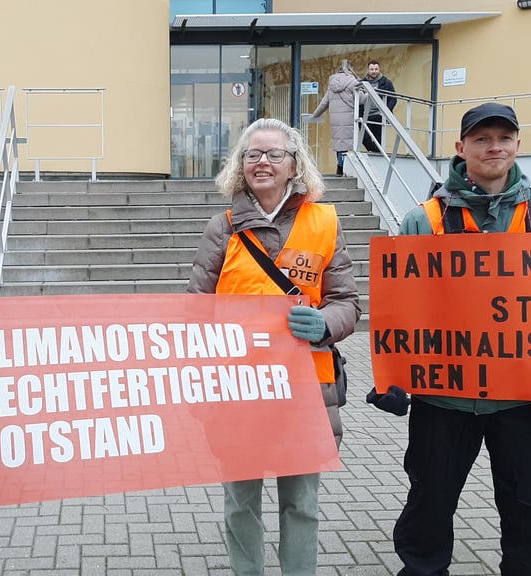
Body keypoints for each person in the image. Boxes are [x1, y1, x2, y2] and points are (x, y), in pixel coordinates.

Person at [366, 102, 531, 576]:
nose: (493, 147)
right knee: (429, 507)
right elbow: (402, 309)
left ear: (517, 146)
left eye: (503, 138)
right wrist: (393, 377)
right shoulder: (423, 220)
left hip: (525, 401)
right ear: (461, 148)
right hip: (444, 400)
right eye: (482, 139)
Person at [188, 117, 360, 576]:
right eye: (252, 154)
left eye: (273, 154)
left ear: (294, 164)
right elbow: (194, 312)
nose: (262, 162)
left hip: (303, 390)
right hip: (237, 389)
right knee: (241, 503)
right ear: (240, 166)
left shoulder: (323, 222)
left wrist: (324, 322)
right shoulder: (222, 229)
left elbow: (347, 302)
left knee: (301, 502)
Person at [311, 59, 362, 177]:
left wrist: (315, 115)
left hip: (336, 119)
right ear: (350, 69)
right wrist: (369, 94)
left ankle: (340, 166)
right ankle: (343, 167)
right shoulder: (353, 81)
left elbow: (324, 102)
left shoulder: (332, 83)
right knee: (349, 143)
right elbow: (361, 100)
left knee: (340, 142)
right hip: (348, 117)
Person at [360, 60, 397, 153]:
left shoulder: (386, 82)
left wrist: (385, 112)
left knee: (379, 140)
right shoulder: (362, 83)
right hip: (365, 116)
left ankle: (378, 155)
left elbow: (393, 99)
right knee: (364, 138)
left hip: (379, 115)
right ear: (368, 70)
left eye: (376, 69)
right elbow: (358, 100)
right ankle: (377, 152)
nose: (374, 71)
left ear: (379, 69)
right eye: (372, 69)